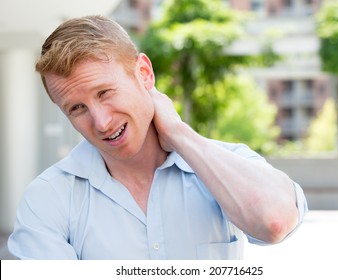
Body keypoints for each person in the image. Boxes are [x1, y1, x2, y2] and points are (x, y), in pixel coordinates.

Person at [8, 15, 307, 260]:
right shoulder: (48, 197)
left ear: (144, 73)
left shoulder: (224, 163)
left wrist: (178, 132)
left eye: (105, 93)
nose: (101, 122)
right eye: (77, 108)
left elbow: (274, 222)